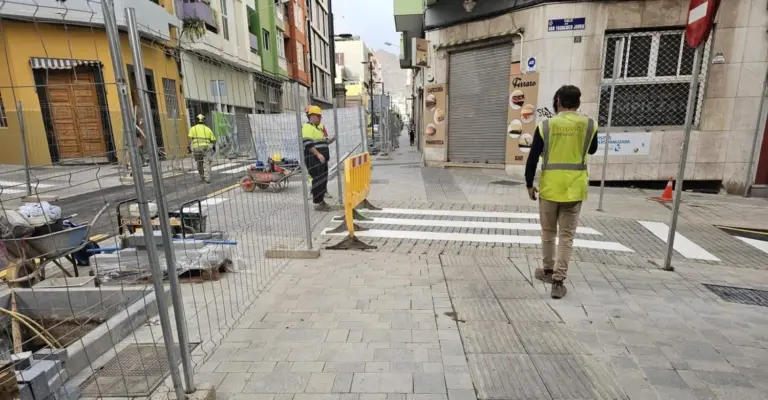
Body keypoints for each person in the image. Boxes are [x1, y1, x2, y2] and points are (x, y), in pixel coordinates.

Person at [525, 85, 598, 299]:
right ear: (578, 103)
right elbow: (592, 149)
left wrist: (529, 184)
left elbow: (532, 158)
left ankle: (547, 271)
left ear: (558, 101)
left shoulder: (546, 125)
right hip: (575, 188)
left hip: (549, 187)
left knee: (548, 232)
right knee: (566, 236)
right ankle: (558, 281)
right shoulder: (589, 124)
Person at [302, 105, 336, 211]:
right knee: (318, 180)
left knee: (322, 180)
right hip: (313, 159)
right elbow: (308, 143)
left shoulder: (317, 128)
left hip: (321, 159)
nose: (320, 118)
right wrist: (318, 154)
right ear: (311, 116)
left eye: (320, 116)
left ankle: (321, 201)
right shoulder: (307, 127)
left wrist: (333, 139)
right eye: (318, 116)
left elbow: (324, 142)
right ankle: (318, 203)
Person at [188, 114, 216, 183]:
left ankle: (202, 176)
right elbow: (213, 140)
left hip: (196, 148)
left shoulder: (193, 128)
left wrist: (189, 148)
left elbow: (189, 139)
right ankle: (207, 179)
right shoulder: (208, 129)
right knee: (207, 163)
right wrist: (213, 146)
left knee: (199, 162)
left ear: (196, 120)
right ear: (203, 121)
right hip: (206, 148)